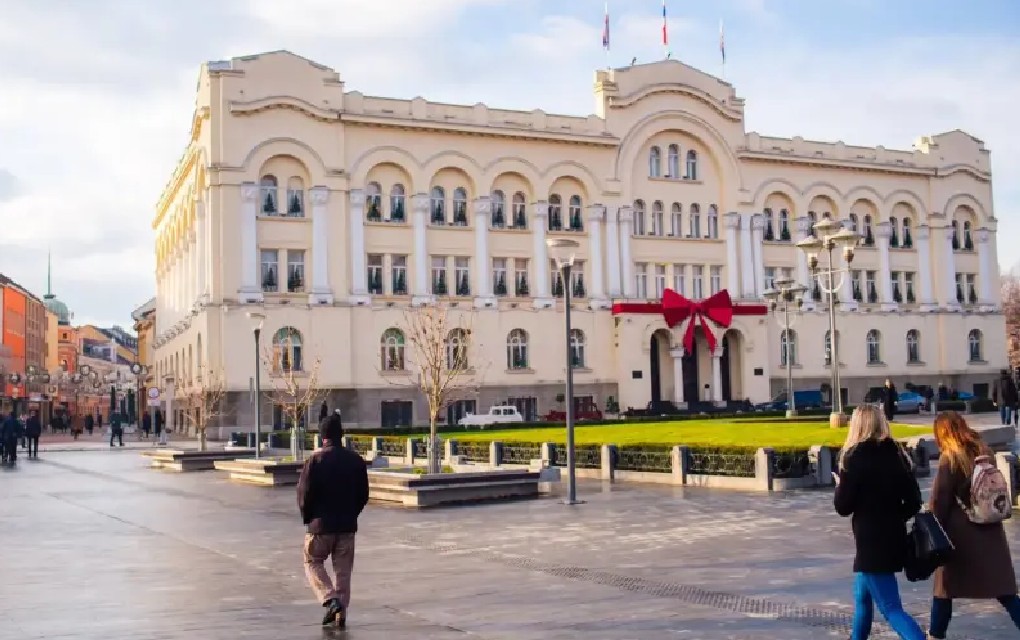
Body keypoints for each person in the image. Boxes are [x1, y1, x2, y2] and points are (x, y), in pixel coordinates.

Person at [833, 404, 925, 640]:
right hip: (894, 536)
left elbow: (843, 507)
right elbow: (914, 500)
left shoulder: (853, 458)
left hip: (870, 541)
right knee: (862, 598)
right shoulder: (896, 454)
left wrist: (839, 487)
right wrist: (894, 517)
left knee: (891, 608)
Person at [926, 411, 1020, 638]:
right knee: (1004, 590)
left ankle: (936, 634)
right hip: (990, 531)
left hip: (960, 537)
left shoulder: (951, 457)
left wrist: (930, 526)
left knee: (944, 589)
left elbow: (940, 500)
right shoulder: (983, 451)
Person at [296, 413, 369, 628]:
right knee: (343, 571)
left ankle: (330, 598)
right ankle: (340, 614)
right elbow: (363, 494)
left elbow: (304, 494)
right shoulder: (355, 461)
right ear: (341, 435)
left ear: (322, 437)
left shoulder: (315, 461)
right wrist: (352, 513)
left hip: (321, 526)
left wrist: (308, 518)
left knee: (312, 561)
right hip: (347, 526)